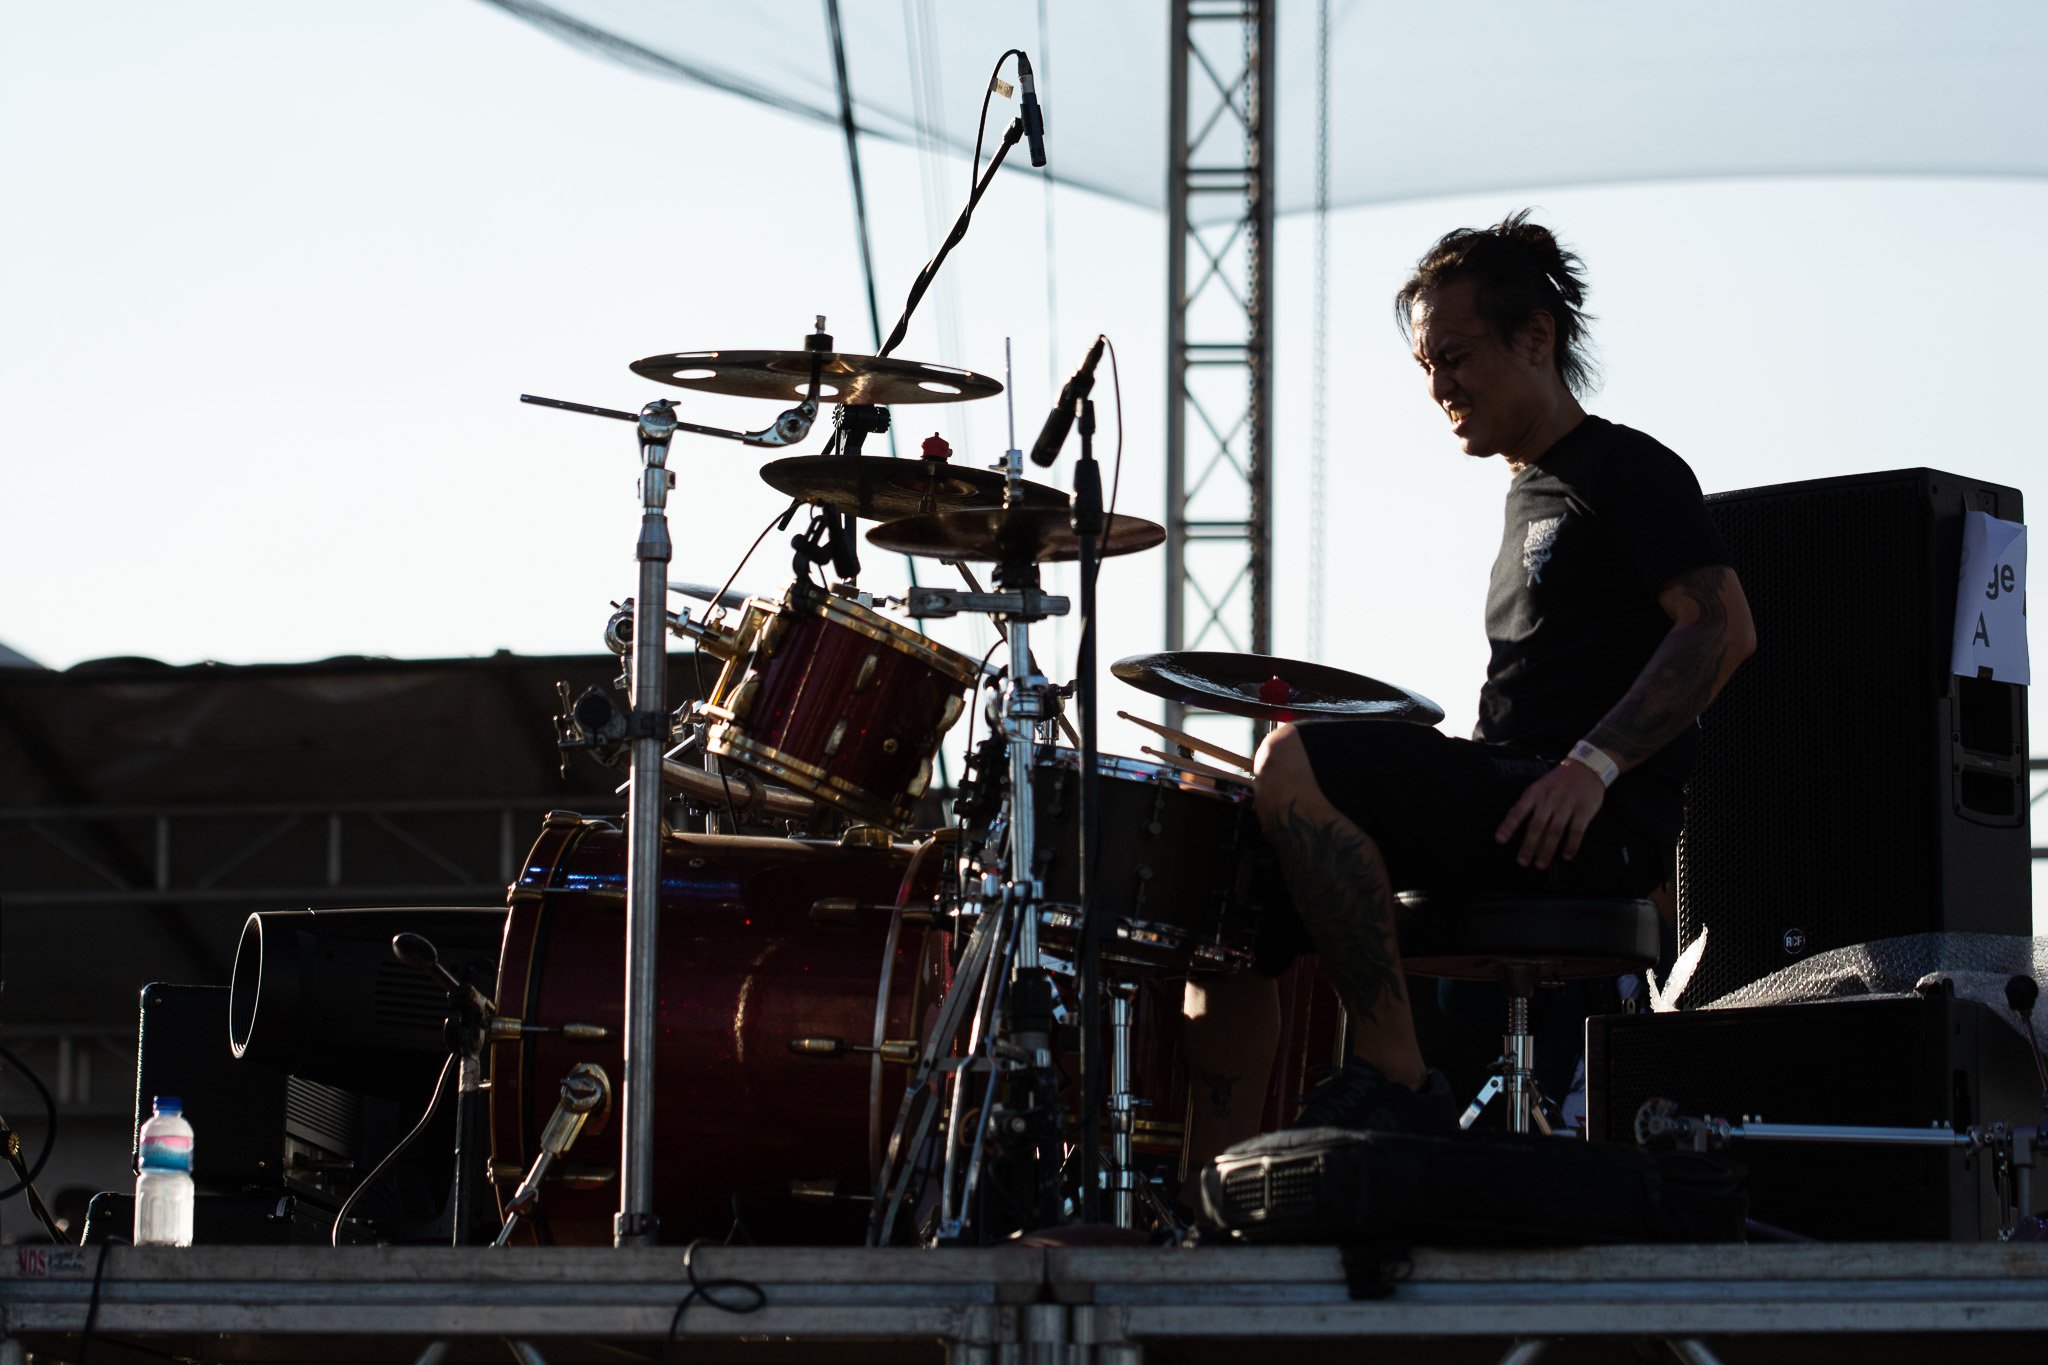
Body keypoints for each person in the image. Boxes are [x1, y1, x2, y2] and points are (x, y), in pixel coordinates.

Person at [1184, 210, 1756, 1146]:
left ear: (1537, 339)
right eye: (1425, 368)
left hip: (1589, 822)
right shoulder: (1525, 493)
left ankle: (1393, 1075)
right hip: (1513, 796)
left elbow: (1724, 628)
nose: (1439, 386)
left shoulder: (1627, 466)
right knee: (1225, 876)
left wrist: (1593, 766)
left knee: (1295, 758)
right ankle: (1222, 1182)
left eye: (1454, 357)